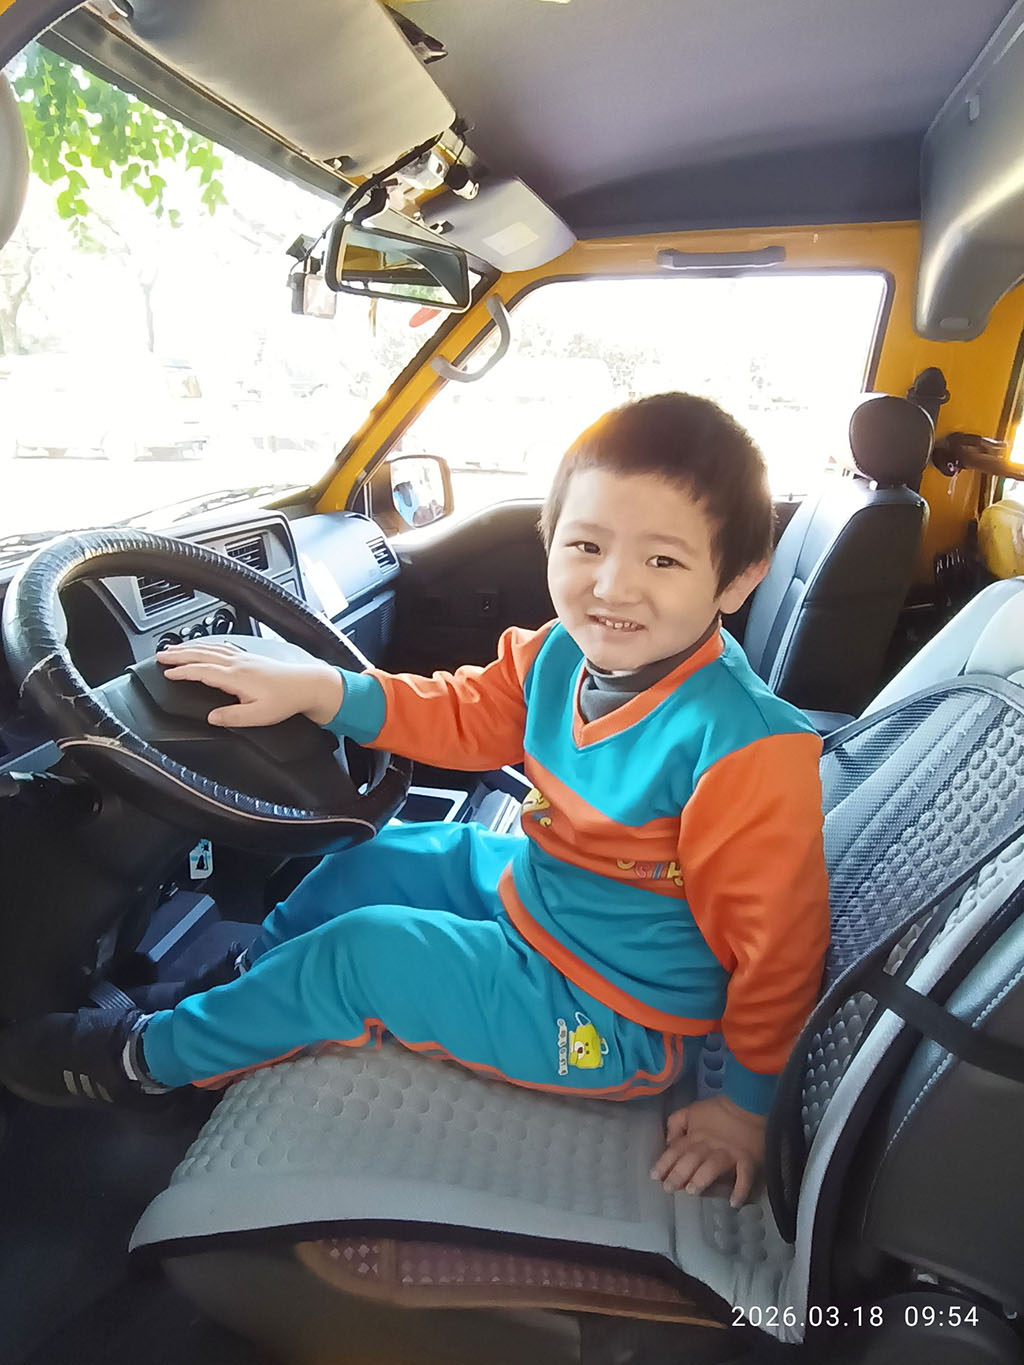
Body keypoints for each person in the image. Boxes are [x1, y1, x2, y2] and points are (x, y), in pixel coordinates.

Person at [0, 393, 829, 1207]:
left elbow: (779, 948)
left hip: (611, 1015)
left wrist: (745, 1108)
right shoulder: (558, 654)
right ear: (548, 539)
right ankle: (242, 998)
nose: (613, 586)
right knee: (370, 859)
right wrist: (322, 689)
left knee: (363, 953)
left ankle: (146, 1064)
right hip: (545, 897)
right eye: (586, 545)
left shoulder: (744, 747)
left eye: (663, 562)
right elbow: (462, 714)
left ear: (737, 579)